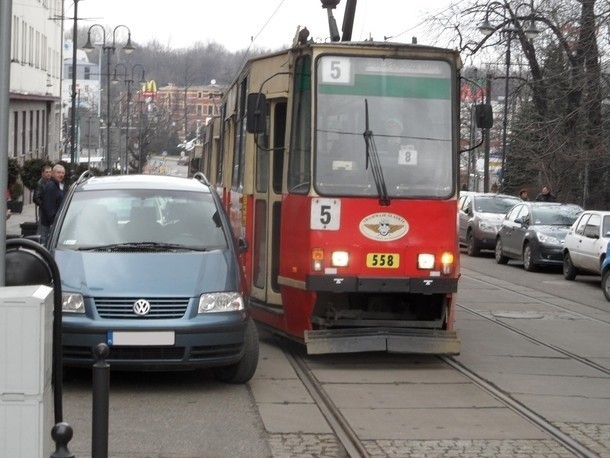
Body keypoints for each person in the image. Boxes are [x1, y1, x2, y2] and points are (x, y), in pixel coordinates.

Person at [39, 164, 66, 244]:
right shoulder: (51, 186)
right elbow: (49, 206)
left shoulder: (57, 185)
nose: (61, 175)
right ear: (53, 174)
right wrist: (53, 222)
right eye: (58, 172)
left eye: (62, 173)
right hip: (49, 224)